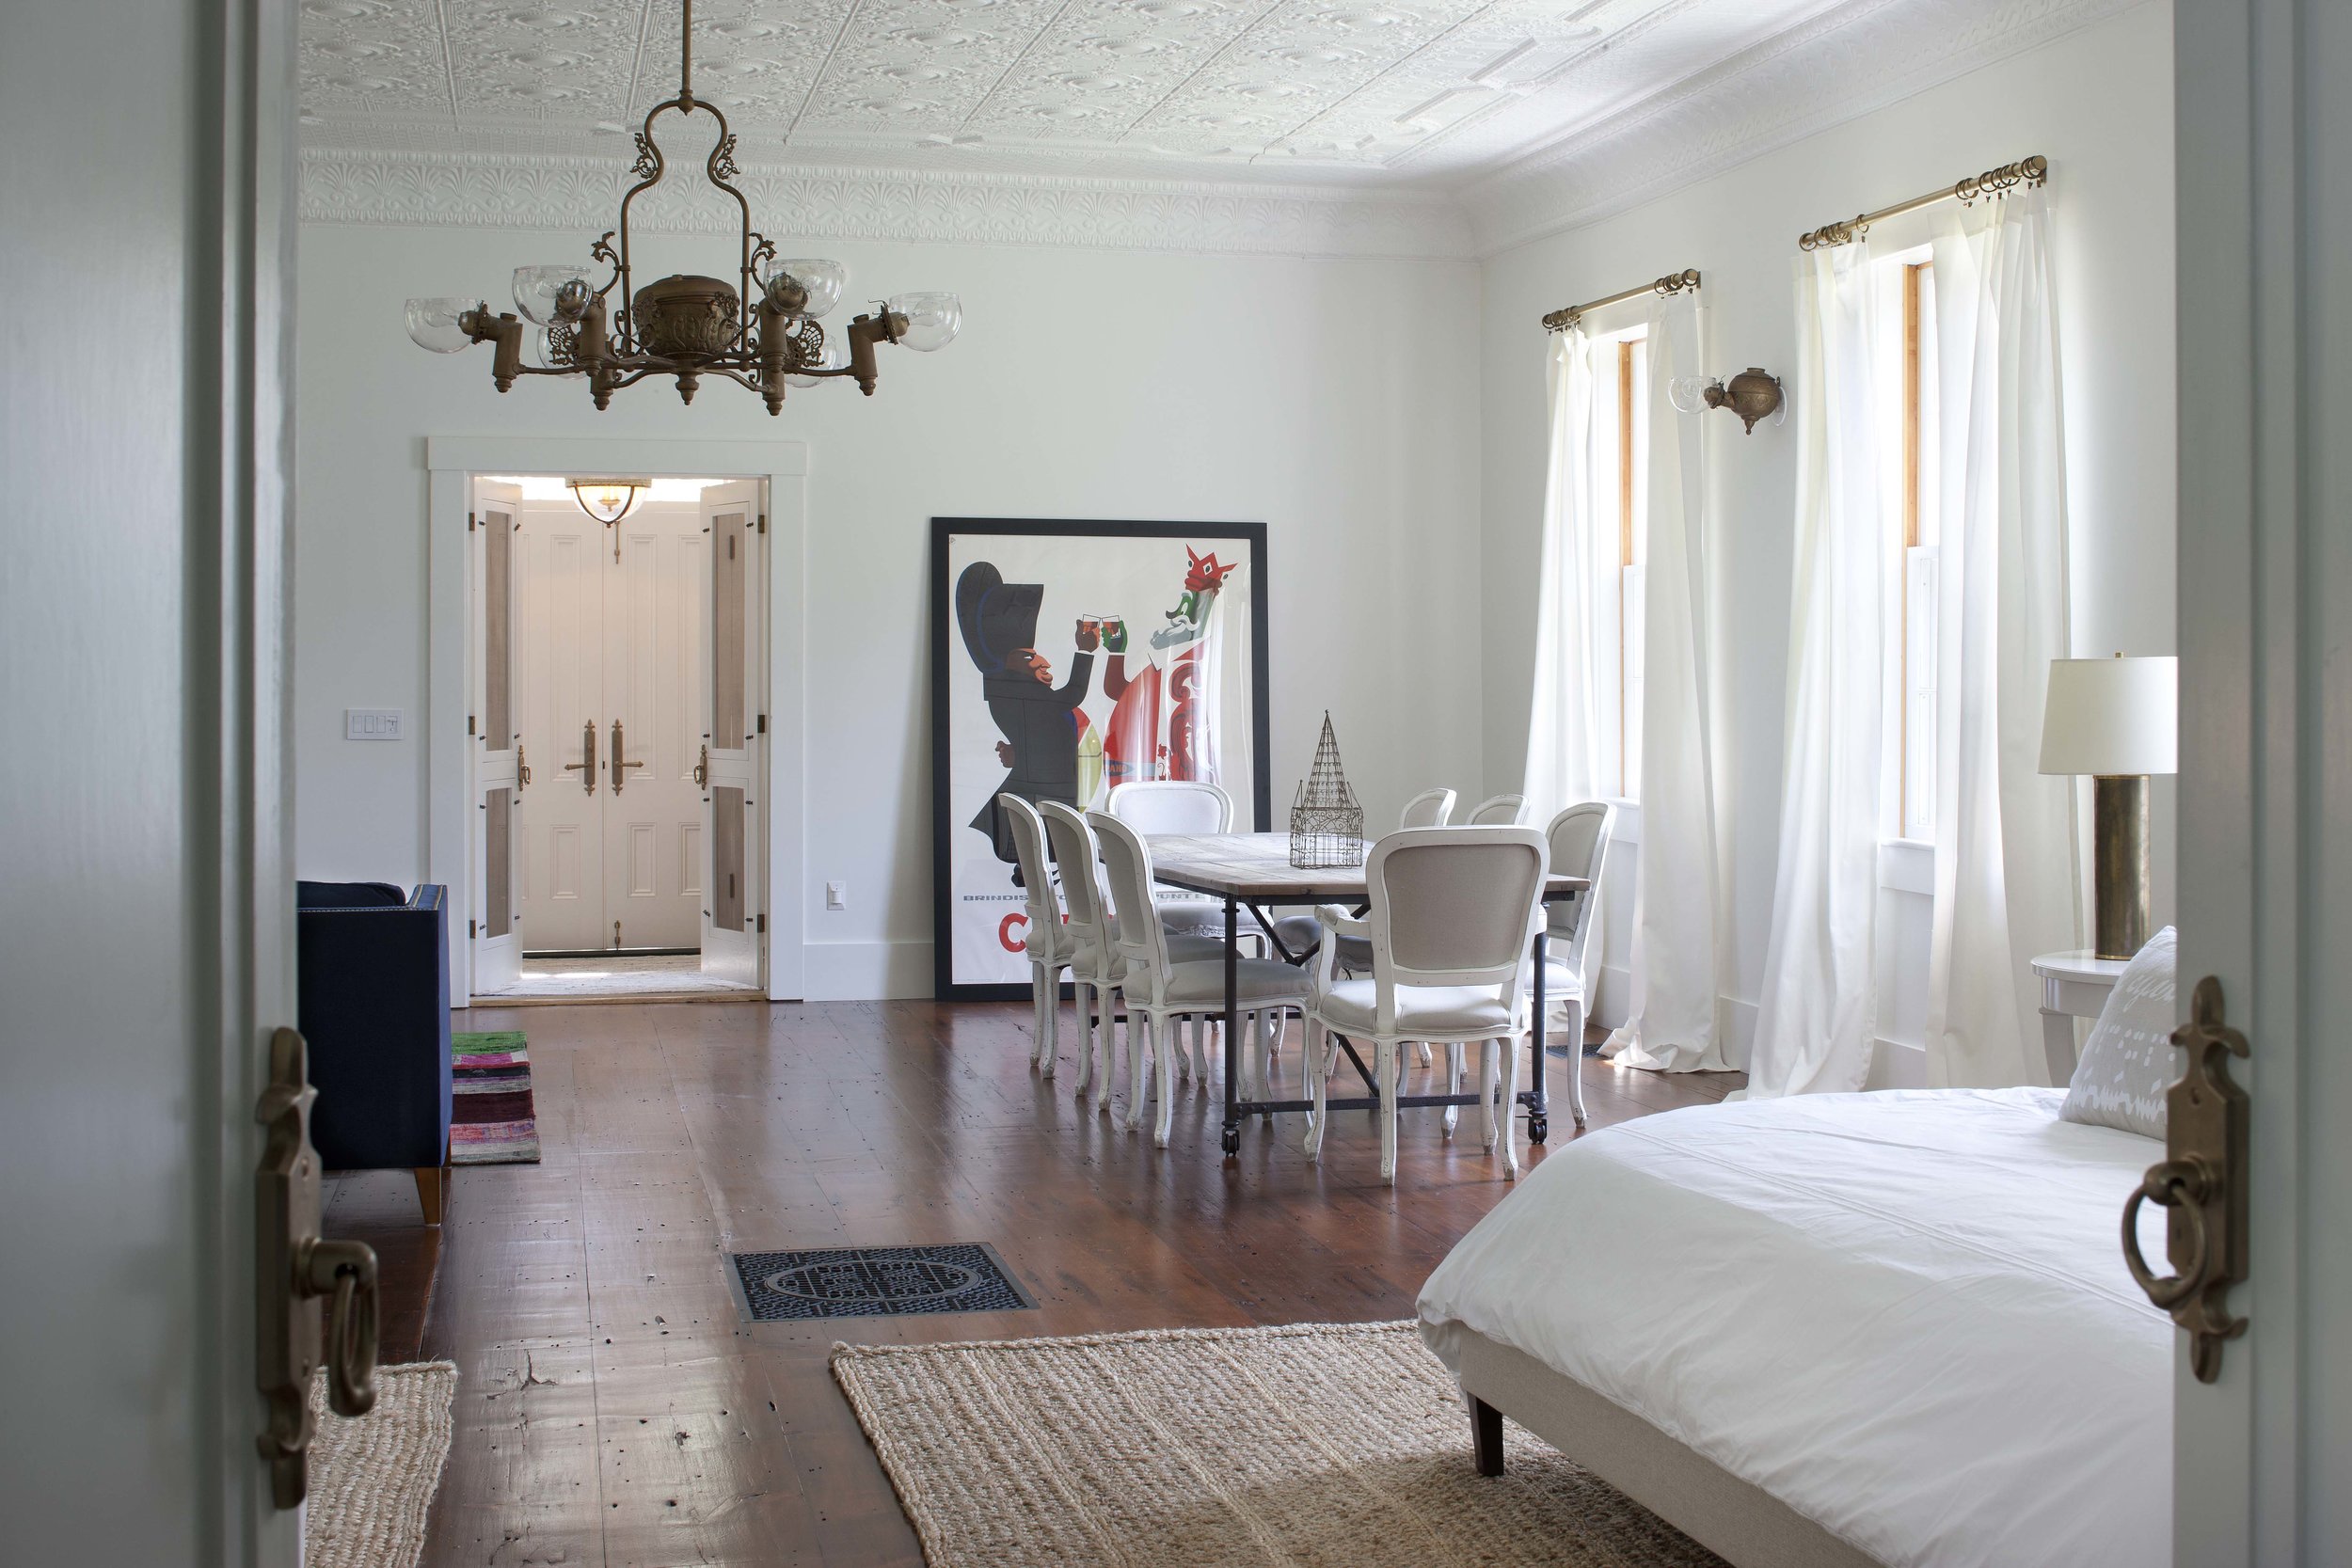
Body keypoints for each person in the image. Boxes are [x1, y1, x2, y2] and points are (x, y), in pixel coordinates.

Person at [954, 562, 1098, 865]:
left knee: (1045, 840)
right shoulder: (1011, 695)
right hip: (1047, 786)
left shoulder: (1018, 697)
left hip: (1052, 783)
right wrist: (1084, 651)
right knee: (1037, 840)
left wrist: (1018, 750)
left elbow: (1040, 728)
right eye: (1030, 656)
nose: (1045, 662)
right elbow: (1072, 695)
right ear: (1009, 667)